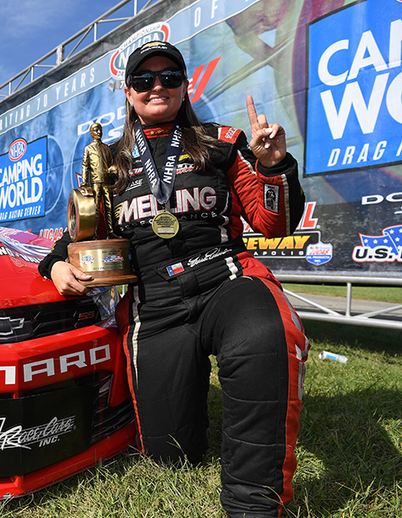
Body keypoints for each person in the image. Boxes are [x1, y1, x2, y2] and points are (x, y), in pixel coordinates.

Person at [39, 41, 308, 518]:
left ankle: (253, 502)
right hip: (154, 301)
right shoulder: (111, 159)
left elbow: (275, 225)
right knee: (171, 456)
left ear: (186, 86)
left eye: (169, 77)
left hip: (225, 276)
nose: (156, 86)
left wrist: (273, 167)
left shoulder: (220, 139)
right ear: (129, 93)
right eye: (144, 80)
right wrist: (55, 264)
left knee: (264, 333)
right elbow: (82, 231)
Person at [81, 122, 117, 239]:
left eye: (100, 130)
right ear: (91, 133)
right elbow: (85, 166)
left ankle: (111, 232)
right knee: (95, 209)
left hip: (107, 182)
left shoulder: (106, 148)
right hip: (95, 183)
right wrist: (84, 182)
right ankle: (95, 233)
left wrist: (113, 170)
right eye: (96, 130)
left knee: (109, 208)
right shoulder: (88, 149)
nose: (99, 132)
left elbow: (111, 163)